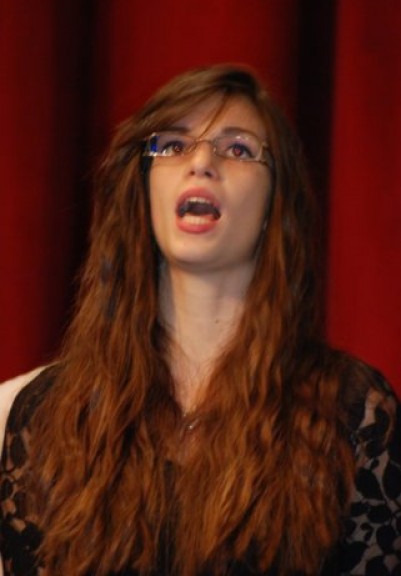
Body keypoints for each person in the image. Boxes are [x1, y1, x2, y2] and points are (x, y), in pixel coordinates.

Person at [0, 65, 400, 576]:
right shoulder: (48, 415)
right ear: (142, 191)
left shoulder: (351, 411)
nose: (202, 162)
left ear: (274, 204)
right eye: (172, 146)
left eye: (238, 149)